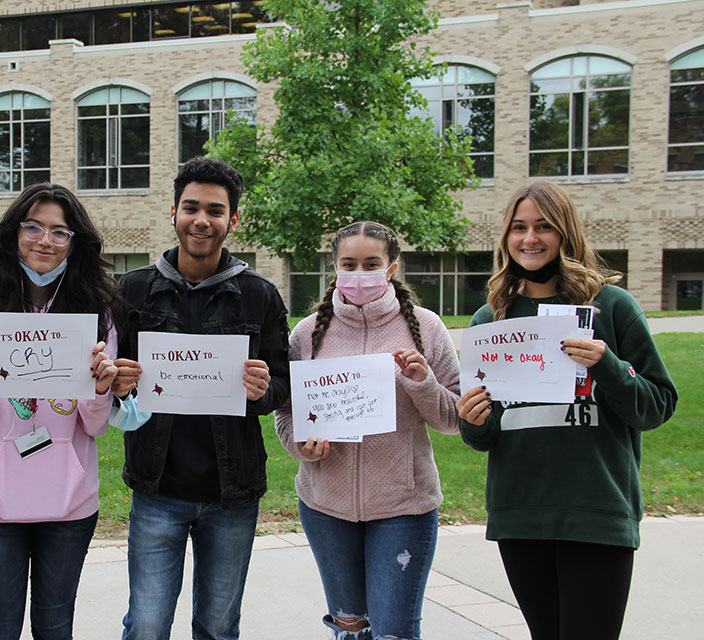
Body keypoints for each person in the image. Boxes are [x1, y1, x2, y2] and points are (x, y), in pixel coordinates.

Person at [455, 181, 678, 640]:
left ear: (566, 233)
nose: (529, 238)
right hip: (520, 514)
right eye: (519, 227)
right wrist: (472, 420)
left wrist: (608, 365)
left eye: (543, 227)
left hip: (596, 511)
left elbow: (657, 405)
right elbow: (485, 435)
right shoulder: (490, 319)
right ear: (505, 237)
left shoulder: (611, 307)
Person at [0, 183, 123, 640]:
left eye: (60, 232)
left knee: (55, 629)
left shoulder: (97, 312)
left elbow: (96, 425)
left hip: (70, 505)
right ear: (13, 233)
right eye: (33, 226)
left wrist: (99, 389)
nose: (45, 240)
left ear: (76, 242)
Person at [113, 156, 290, 640]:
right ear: (173, 212)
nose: (201, 220)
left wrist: (261, 390)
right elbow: (109, 383)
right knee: (146, 625)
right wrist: (119, 381)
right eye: (191, 207)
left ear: (232, 220)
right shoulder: (133, 291)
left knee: (216, 626)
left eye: (215, 210)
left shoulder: (259, 296)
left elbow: (282, 384)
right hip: (157, 488)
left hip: (231, 493)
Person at [274, 221, 460, 639]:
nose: (359, 273)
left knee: (393, 630)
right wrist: (303, 446)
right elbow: (286, 415)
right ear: (334, 267)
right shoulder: (306, 334)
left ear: (391, 267)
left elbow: (453, 418)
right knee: (349, 627)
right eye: (349, 263)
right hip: (326, 508)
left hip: (404, 508)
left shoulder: (427, 328)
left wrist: (421, 381)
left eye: (371, 263)